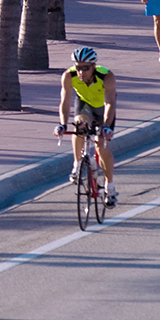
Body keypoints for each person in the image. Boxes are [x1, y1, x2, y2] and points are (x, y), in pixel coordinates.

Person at [54, 47, 118, 207]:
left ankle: (110, 187)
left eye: (85, 68)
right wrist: (62, 124)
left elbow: (110, 102)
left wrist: (107, 127)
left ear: (94, 66)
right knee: (79, 125)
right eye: (78, 67)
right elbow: (65, 102)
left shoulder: (106, 76)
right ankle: (77, 164)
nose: (81, 71)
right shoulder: (69, 76)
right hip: (84, 106)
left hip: (103, 108)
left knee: (101, 147)